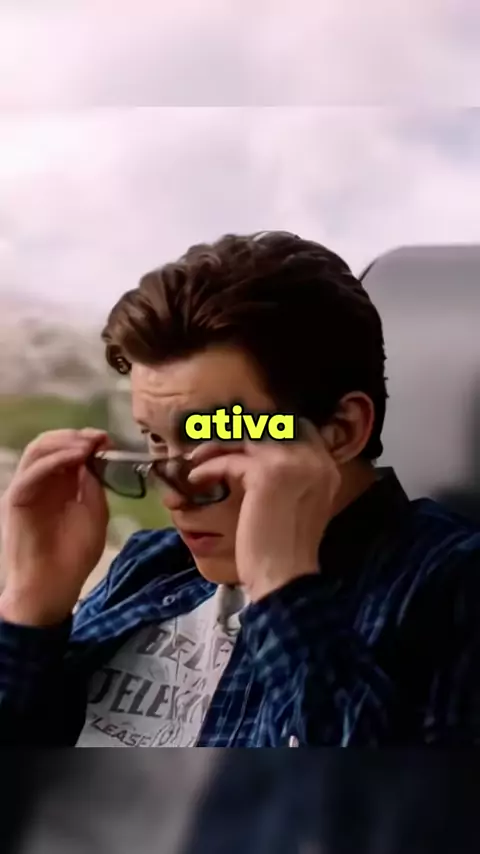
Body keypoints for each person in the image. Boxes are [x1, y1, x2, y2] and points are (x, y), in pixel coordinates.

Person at [0, 230, 479, 747]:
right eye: (154, 440)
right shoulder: (151, 565)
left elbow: (377, 797)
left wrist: (282, 586)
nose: (174, 495)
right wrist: (31, 606)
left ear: (341, 431)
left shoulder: (450, 589)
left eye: (215, 439)